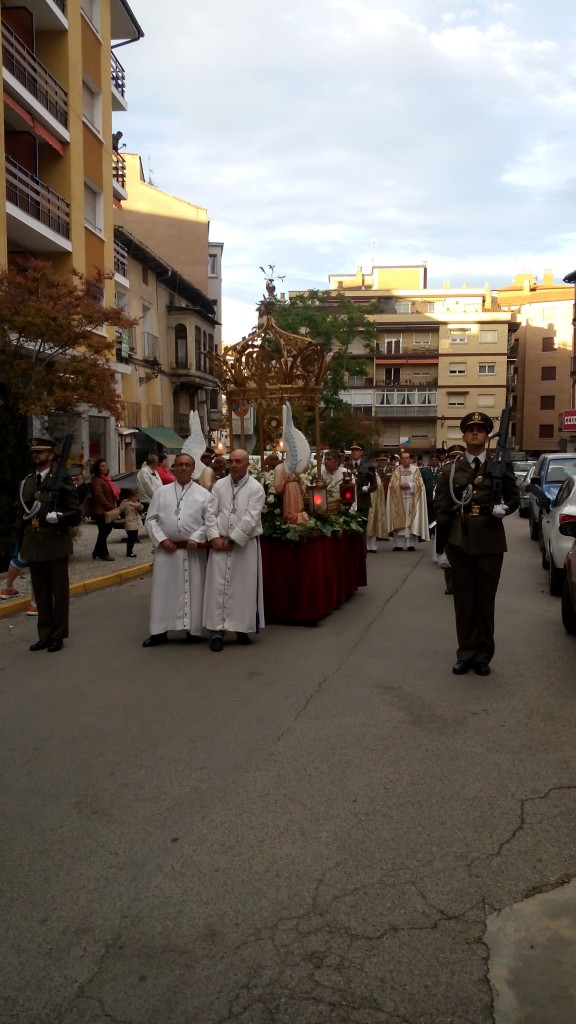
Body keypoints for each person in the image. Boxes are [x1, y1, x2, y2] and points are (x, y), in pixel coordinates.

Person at [434, 411, 519, 676]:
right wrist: (440, 549)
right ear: (463, 435)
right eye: (470, 429)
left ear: (487, 436)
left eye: (481, 429)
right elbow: (443, 510)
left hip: (490, 542)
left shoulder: (500, 466)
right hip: (459, 542)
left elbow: (514, 498)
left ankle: (483, 656)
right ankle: (465, 653)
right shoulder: (450, 470)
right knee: (464, 602)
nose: (475, 432)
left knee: (485, 601)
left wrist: (505, 509)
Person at [17, 437, 81, 652]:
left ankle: (58, 635)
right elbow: (22, 513)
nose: (36, 455)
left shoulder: (61, 479)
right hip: (34, 544)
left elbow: (76, 513)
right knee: (41, 593)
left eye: (40, 452)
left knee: (59, 594)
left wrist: (60, 517)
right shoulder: (27, 481)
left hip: (55, 543)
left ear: (51, 455)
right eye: (34, 452)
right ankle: (44, 634)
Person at [143, 453, 213, 646]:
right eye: (180, 465)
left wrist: (196, 537)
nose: (183, 468)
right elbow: (151, 520)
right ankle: (159, 631)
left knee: (194, 589)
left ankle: (192, 629)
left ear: (193, 469)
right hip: (167, 551)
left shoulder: (203, 494)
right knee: (164, 591)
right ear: (174, 467)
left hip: (192, 550)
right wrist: (161, 539)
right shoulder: (161, 492)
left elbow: (210, 522)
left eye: (187, 465)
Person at [203, 449, 265, 652]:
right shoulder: (219, 485)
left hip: (243, 546)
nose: (234, 464)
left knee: (242, 589)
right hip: (218, 543)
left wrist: (232, 540)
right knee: (217, 587)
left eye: (239, 461)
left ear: (247, 464)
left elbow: (251, 518)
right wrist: (213, 537)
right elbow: (210, 513)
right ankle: (216, 631)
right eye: (231, 461)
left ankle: (241, 628)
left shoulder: (256, 488)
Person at [434, 445, 466, 595]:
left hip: (467, 519)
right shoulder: (446, 473)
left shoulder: (469, 472)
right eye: (454, 457)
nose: (456, 460)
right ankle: (451, 584)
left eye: (459, 457)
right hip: (451, 519)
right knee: (450, 552)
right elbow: (441, 499)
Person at [386, 450, 429, 550]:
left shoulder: (415, 470)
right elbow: (392, 485)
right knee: (399, 521)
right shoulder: (397, 470)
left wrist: (409, 485)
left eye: (407, 458)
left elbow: (420, 484)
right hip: (399, 500)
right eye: (403, 458)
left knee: (411, 522)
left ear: (410, 459)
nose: (405, 460)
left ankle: (411, 545)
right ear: (400, 460)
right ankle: (398, 545)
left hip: (411, 500)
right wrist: (398, 485)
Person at [90, 458, 120, 561]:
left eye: (105, 466)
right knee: (103, 531)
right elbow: (99, 496)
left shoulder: (106, 479)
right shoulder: (96, 480)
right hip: (101, 511)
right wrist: (110, 507)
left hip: (107, 509)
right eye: (102, 466)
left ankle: (96, 551)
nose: (105, 467)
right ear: (97, 468)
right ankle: (103, 553)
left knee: (105, 531)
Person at [0, 545, 37, 614]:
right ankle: (35, 604)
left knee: (19, 558)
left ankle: (8, 589)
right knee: (39, 565)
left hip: (25, 536)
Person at [366, 454, 389, 551]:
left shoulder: (375, 475)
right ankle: (365, 545)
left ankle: (373, 545)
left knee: (373, 522)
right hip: (364, 501)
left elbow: (378, 487)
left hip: (374, 502)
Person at [349, 443, 377, 518]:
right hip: (348, 502)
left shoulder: (368, 466)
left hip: (362, 501)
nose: (354, 452)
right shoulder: (346, 466)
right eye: (352, 450)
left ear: (362, 452)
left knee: (362, 527)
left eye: (357, 450)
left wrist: (367, 489)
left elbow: (374, 485)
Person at [118, 488, 144, 557]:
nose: (136, 498)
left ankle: (130, 551)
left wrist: (138, 506)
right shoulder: (125, 503)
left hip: (136, 521)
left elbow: (141, 508)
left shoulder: (137, 503)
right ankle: (129, 552)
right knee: (130, 537)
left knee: (134, 536)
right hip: (129, 521)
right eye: (135, 497)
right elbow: (119, 510)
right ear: (130, 497)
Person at [420, 453, 441, 534]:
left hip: (438, 498)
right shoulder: (424, 471)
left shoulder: (442, 471)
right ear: (429, 461)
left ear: (438, 461)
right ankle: (430, 530)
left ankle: (436, 529)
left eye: (436, 460)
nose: (434, 461)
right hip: (428, 497)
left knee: (437, 515)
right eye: (432, 460)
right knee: (429, 515)